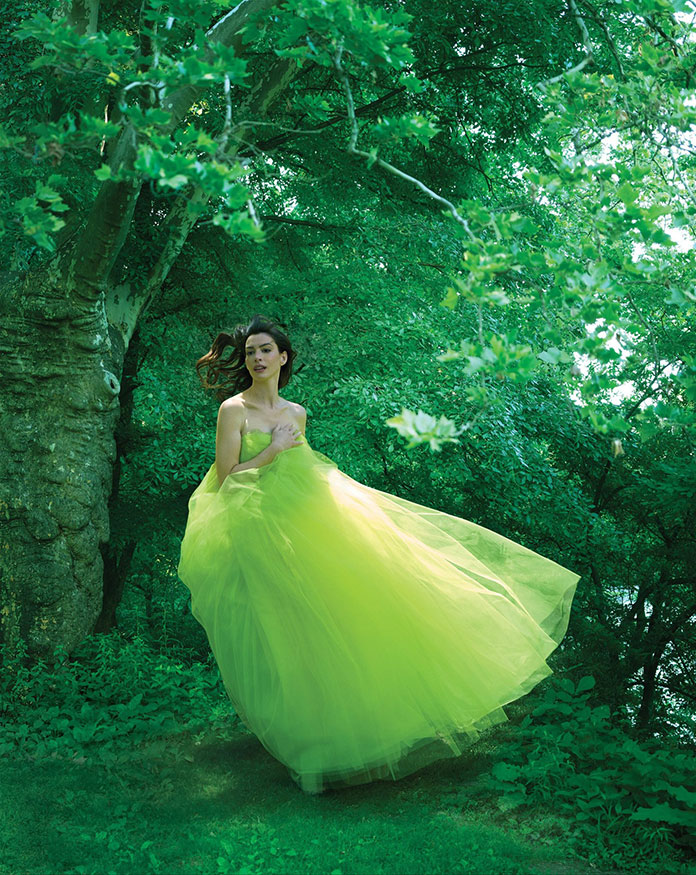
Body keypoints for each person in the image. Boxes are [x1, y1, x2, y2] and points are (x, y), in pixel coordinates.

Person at [177, 314, 580, 795]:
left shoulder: (297, 412)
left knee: (333, 627)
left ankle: (337, 746)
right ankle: (308, 750)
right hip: (255, 532)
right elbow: (227, 477)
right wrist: (272, 451)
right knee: (283, 636)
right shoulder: (233, 410)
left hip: (304, 529)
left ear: (283, 358)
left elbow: (304, 475)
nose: (257, 358)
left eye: (266, 350)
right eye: (249, 352)